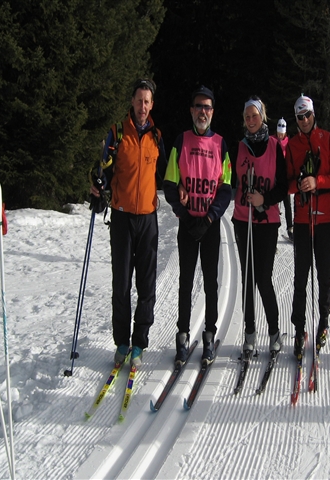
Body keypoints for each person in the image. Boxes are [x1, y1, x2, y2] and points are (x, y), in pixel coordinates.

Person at [91, 78, 167, 367]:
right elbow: (102, 169)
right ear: (132, 102)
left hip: (147, 219)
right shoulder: (117, 133)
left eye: (147, 101)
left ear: (151, 105)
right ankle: (122, 342)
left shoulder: (156, 136)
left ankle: (139, 342)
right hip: (122, 217)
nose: (143, 106)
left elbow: (168, 174)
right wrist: (97, 183)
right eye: (139, 100)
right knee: (121, 284)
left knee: (146, 285)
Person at [163, 86, 232, 365]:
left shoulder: (220, 143)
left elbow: (226, 187)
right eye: (198, 107)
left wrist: (210, 217)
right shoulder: (181, 140)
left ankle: (209, 334)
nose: (202, 112)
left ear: (213, 112)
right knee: (185, 281)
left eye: (207, 107)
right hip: (188, 223)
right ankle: (182, 335)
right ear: (191, 110)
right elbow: (169, 183)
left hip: (210, 225)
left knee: (211, 284)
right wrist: (185, 214)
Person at [286, 94, 330, 358]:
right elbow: (285, 182)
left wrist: (317, 181)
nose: (305, 120)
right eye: (300, 116)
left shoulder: (327, 139)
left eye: (307, 115)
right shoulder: (292, 145)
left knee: (323, 275)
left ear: (313, 114)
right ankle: (299, 329)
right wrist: (299, 184)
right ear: (296, 119)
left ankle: (323, 322)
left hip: (323, 219)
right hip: (301, 219)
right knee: (300, 276)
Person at [232, 96, 288, 355]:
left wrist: (265, 199)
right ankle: (250, 332)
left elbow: (284, 186)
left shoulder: (275, 146)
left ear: (262, 116)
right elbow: (231, 181)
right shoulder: (240, 147)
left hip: (267, 222)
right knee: (248, 280)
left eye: (254, 115)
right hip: (243, 220)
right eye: (247, 117)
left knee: (264, 279)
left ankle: (274, 332)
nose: (251, 120)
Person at [276, 118, 294, 241]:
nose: (280, 135)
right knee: (275, 207)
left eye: (282, 133)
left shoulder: (289, 144)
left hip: (285, 179)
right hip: (275, 179)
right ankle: (273, 233)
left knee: (287, 206)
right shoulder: (272, 142)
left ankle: (290, 230)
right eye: (279, 132)